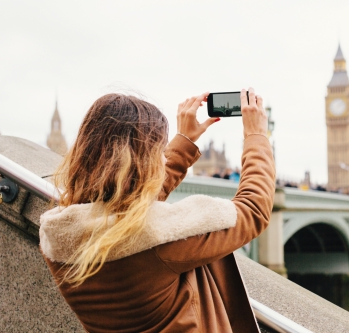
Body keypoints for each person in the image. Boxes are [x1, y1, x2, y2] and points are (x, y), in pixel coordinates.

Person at [39, 88, 275, 332]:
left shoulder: (59, 242)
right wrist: (256, 136)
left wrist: (185, 141)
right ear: (140, 164)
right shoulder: (160, 244)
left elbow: (129, 209)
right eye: (159, 152)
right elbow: (253, 209)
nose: (164, 160)